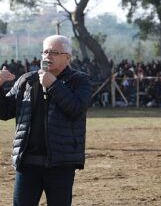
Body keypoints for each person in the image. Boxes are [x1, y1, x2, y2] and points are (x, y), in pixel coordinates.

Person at [0, 35, 92, 205]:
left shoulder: (80, 80)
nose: (48, 56)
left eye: (54, 52)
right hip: (27, 162)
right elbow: (5, 112)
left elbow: (76, 109)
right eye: (45, 52)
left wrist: (54, 85)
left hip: (61, 162)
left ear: (67, 57)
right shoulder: (27, 80)